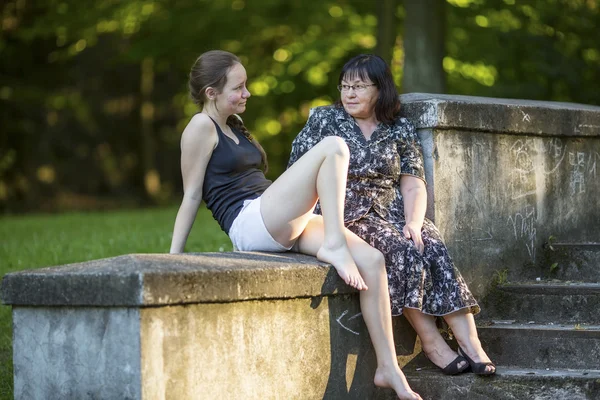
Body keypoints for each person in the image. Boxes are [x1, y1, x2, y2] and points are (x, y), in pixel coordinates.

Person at [169, 50, 423, 399]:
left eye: (247, 85)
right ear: (211, 92)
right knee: (334, 146)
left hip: (273, 216)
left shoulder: (234, 127)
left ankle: (387, 368)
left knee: (372, 260)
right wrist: (173, 258)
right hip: (250, 222)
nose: (247, 93)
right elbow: (191, 196)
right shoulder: (200, 126)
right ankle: (334, 243)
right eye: (239, 88)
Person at [288, 54, 496, 376]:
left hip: (393, 211)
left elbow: (413, 183)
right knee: (401, 251)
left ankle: (472, 344)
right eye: (345, 87)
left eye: (358, 86)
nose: (349, 94)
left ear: (380, 89)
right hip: (348, 213)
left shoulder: (399, 127)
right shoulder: (323, 120)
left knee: (431, 243)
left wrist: (413, 222)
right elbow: (296, 173)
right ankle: (432, 343)